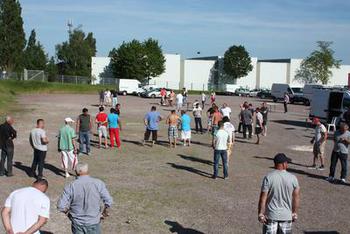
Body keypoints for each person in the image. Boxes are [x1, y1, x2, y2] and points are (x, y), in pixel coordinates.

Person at [57, 163, 113, 234]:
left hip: (77, 223)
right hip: (94, 222)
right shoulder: (98, 183)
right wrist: (104, 213)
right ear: (88, 171)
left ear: (76, 172)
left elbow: (61, 206)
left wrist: (68, 214)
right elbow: (109, 201)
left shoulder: (71, 186)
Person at [258, 153, 300, 234]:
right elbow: (296, 198)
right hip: (286, 216)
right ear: (284, 164)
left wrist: (261, 214)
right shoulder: (293, 178)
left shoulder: (268, 177)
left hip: (270, 216)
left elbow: (263, 198)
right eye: (287, 162)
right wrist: (294, 213)